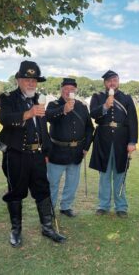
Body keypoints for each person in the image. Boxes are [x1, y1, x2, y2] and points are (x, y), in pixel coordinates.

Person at [0, 61, 66, 246]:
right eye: (27, 79)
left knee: (42, 190)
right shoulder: (8, 98)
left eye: (34, 80)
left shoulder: (40, 99)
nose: (31, 83)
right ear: (18, 79)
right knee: (16, 192)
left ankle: (47, 228)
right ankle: (16, 230)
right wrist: (28, 114)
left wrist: (47, 150)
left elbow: (42, 127)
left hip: (37, 155)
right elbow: (4, 119)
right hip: (16, 155)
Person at [89, 70, 138, 218]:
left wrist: (132, 141)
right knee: (104, 175)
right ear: (105, 83)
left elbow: (132, 121)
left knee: (120, 174)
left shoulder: (127, 98)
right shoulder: (97, 97)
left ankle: (121, 206)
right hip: (103, 139)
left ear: (118, 81)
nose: (112, 83)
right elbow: (93, 114)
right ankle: (103, 205)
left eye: (114, 80)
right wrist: (104, 106)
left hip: (121, 140)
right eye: (109, 80)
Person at [46, 78, 94, 217]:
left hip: (77, 151)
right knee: (53, 183)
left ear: (76, 91)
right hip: (57, 151)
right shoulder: (53, 104)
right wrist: (63, 109)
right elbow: (48, 117)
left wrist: (86, 147)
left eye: (72, 89)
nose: (68, 92)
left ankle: (66, 206)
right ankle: (49, 209)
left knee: (72, 183)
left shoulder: (82, 106)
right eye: (66, 89)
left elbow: (89, 129)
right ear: (61, 90)